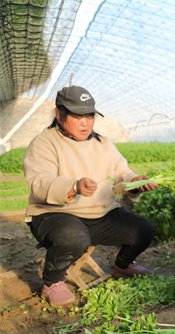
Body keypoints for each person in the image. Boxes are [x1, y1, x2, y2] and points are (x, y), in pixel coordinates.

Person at [23, 85, 157, 307]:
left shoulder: (103, 144)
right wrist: (74, 186)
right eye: (77, 116)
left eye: (90, 116)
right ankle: (52, 282)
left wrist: (135, 182)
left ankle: (123, 266)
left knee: (144, 230)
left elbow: (122, 173)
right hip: (55, 215)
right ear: (59, 114)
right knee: (74, 236)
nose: (85, 123)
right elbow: (39, 182)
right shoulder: (44, 143)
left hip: (100, 214)